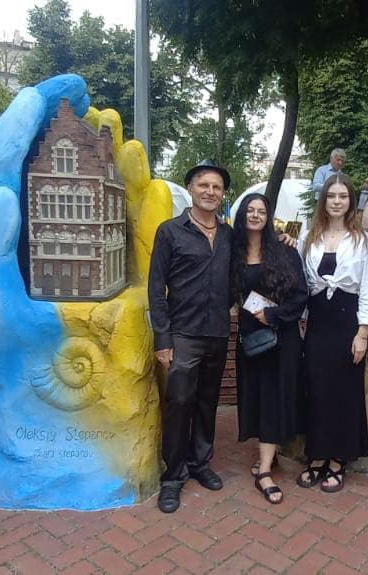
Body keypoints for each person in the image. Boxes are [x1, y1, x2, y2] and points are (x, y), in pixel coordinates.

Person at [148, 160, 234, 513]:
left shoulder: (229, 235)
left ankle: (200, 462)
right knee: (179, 403)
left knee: (207, 402)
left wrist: (286, 238)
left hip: (217, 332)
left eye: (216, 187)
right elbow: (156, 289)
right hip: (182, 334)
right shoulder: (170, 231)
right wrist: (163, 339)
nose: (210, 192)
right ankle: (173, 477)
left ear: (222, 194)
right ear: (191, 189)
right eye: (204, 185)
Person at [297, 174, 368, 494]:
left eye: (342, 196)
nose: (336, 201)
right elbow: (300, 280)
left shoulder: (360, 240)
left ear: (350, 201)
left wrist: (363, 332)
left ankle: (337, 459)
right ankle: (317, 454)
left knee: (344, 392)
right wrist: (300, 320)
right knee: (317, 390)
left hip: (348, 321)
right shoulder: (310, 236)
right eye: (331, 196)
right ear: (324, 200)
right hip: (318, 321)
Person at [230, 193, 307, 504]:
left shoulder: (285, 251)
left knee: (274, 398)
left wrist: (274, 314)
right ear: (242, 215)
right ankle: (269, 454)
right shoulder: (233, 251)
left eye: (261, 211)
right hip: (251, 339)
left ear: (268, 216)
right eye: (250, 210)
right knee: (257, 397)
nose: (255, 215)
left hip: (280, 337)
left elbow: (301, 295)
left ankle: (263, 471)